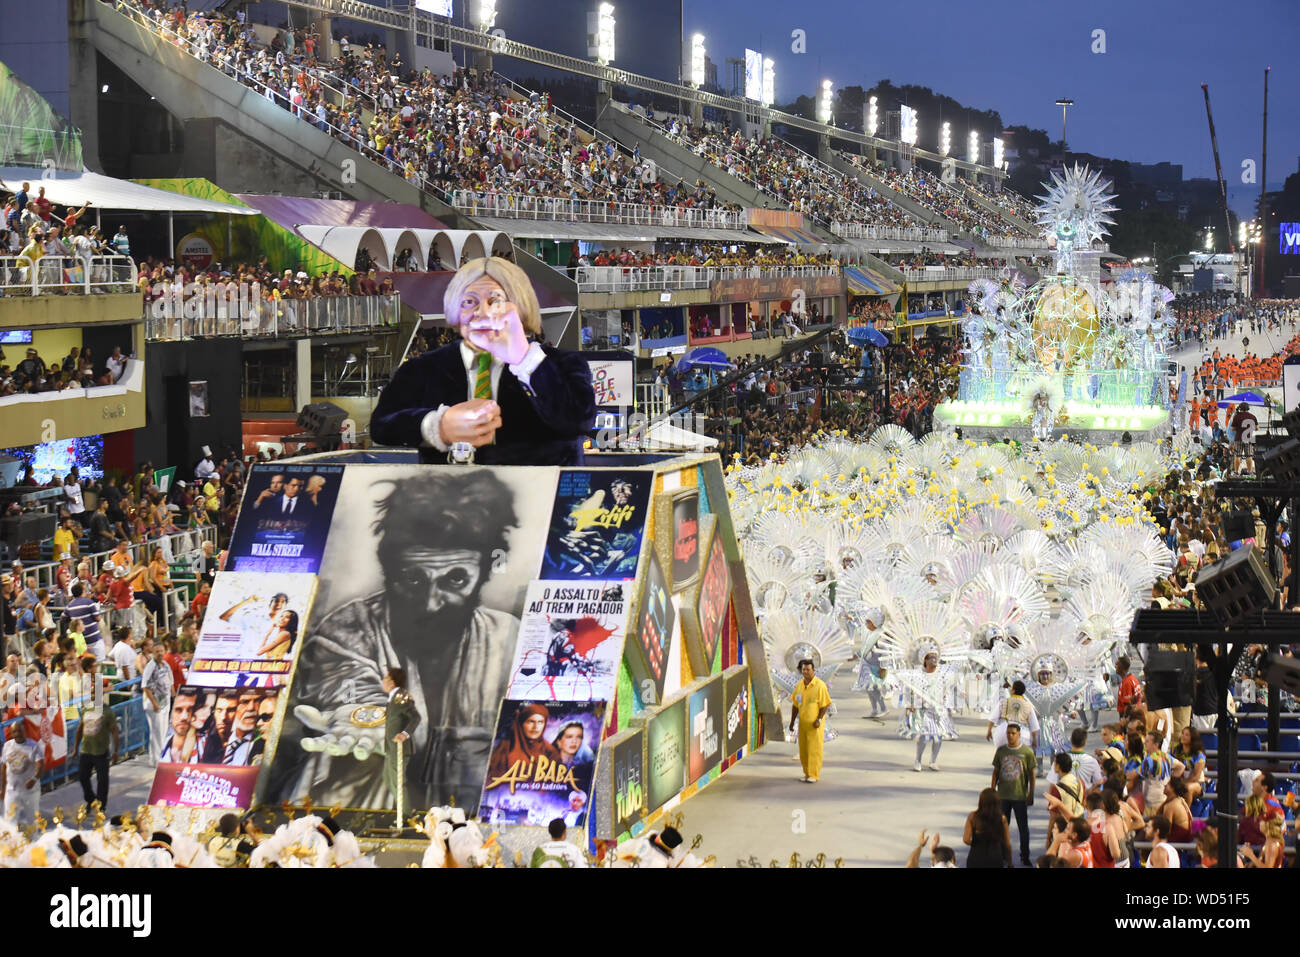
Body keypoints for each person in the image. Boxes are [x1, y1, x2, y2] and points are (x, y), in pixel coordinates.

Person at [272, 470, 526, 814]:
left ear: (485, 570)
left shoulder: (507, 639)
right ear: (389, 571)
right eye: (413, 579)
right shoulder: (347, 629)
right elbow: (346, 686)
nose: (431, 603)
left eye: (455, 579)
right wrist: (373, 719)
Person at [370, 257, 596, 466]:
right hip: (449, 500)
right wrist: (437, 427)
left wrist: (523, 357)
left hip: (538, 501)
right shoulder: (421, 369)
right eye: (469, 301)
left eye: (495, 301)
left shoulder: (563, 364)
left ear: (520, 306)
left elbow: (578, 421)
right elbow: (381, 426)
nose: (482, 312)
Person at [992, 722, 1036, 867]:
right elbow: (996, 772)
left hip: (1020, 796)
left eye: (1013, 733)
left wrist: (1031, 793)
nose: (1010, 736)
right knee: (1002, 827)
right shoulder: (1001, 751)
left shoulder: (1027, 752)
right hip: (1003, 796)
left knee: (1023, 828)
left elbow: (1032, 774)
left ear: (1019, 734)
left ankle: (1025, 855)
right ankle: (1003, 855)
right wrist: (992, 791)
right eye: (1008, 733)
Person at [382, 666, 420, 824]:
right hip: (391, 748)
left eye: (385, 679)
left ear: (391, 681)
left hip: (399, 748)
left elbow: (415, 717)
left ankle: (405, 816)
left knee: (398, 781)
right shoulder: (393, 698)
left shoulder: (401, 696)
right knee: (388, 778)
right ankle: (404, 809)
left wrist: (404, 734)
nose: (383, 682)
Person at [74, 682, 120, 809]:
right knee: (83, 778)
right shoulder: (85, 709)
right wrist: (75, 747)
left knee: (102, 781)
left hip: (101, 752)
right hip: (86, 750)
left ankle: (101, 805)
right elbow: (80, 728)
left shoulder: (107, 712)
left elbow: (114, 731)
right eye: (92, 693)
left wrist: (115, 751)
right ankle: (91, 799)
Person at [487, 703, 559, 781]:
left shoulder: (551, 752)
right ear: (522, 724)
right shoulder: (505, 747)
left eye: (540, 722)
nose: (535, 727)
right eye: (531, 721)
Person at [788, 658, 831, 783]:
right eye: (804, 670)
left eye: (808, 669)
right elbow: (795, 705)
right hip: (802, 724)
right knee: (804, 750)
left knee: (814, 750)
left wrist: (818, 719)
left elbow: (824, 705)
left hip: (815, 725)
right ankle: (806, 773)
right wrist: (791, 723)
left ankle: (814, 774)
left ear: (813, 670)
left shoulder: (820, 686)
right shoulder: (799, 686)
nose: (806, 672)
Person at [1, 718, 43, 826]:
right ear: (11, 733)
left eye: (20, 731)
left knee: (32, 820)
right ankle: (11, 841)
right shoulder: (7, 746)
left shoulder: (33, 746)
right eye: (15, 731)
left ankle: (35, 840)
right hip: (12, 791)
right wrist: (2, 789)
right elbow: (4, 767)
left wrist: (33, 779)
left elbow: (41, 765)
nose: (18, 733)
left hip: (30, 791)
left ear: (25, 731)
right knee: (9, 821)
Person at [963, 787, 1012, 868]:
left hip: (976, 858)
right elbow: (1007, 845)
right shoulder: (1002, 819)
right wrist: (1010, 863)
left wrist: (975, 844)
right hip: (995, 858)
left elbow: (966, 839)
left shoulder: (973, 816)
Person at [141, 642, 173, 764]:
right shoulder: (151, 666)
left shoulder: (165, 665)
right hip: (154, 703)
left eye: (161, 651)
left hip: (165, 701)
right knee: (157, 732)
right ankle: (157, 760)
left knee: (164, 731)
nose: (159, 653)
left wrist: (173, 698)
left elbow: (171, 683)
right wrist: (154, 703)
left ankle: (160, 757)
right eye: (157, 651)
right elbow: (145, 686)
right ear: (153, 653)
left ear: (165, 651)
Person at [986, 678, 1039, 750]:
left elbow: (992, 719)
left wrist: (989, 732)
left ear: (1013, 691)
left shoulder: (1003, 702)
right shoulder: (1028, 705)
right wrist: (1034, 741)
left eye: (1011, 688)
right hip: (1022, 737)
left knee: (1002, 755)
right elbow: (1034, 727)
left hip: (1003, 735)